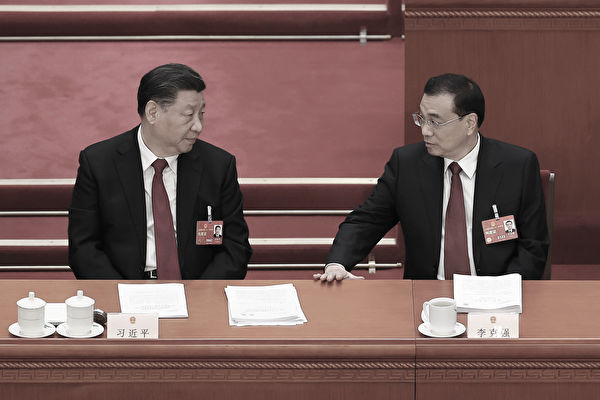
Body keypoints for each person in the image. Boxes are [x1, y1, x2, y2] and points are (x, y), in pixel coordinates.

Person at [314, 73, 549, 281]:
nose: (425, 130)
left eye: (435, 122)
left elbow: (533, 245)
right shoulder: (406, 164)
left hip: (496, 295)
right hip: (426, 296)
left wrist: (503, 291)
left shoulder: (517, 166)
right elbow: (367, 221)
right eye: (422, 118)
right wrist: (337, 263)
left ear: (470, 123)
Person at [69, 63, 252, 279]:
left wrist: (201, 293)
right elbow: (84, 248)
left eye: (201, 114)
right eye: (188, 115)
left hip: (196, 288)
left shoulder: (218, 166)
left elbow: (235, 248)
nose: (198, 126)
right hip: (124, 289)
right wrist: (122, 292)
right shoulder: (99, 163)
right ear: (153, 113)